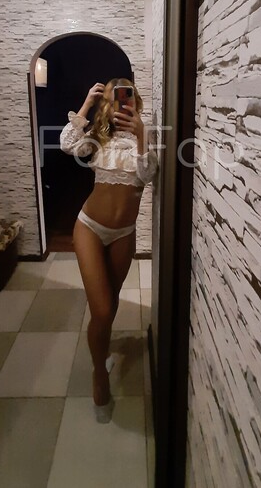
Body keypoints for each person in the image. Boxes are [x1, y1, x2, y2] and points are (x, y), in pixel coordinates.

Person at [60, 78, 158, 422]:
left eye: (127, 95)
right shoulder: (100, 136)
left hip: (123, 234)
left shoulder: (146, 133)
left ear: (135, 100)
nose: (122, 101)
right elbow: (68, 144)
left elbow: (147, 174)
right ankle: (99, 372)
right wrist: (87, 103)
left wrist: (142, 132)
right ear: (108, 102)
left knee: (110, 305)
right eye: (116, 96)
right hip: (89, 227)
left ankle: (102, 352)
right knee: (101, 310)